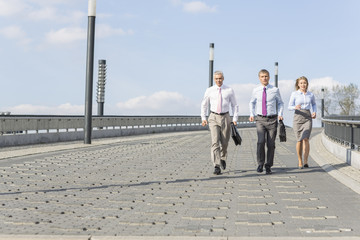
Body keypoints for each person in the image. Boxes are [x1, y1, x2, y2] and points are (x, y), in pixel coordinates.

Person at [201, 71, 239, 175]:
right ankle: (216, 165)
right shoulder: (209, 90)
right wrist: (203, 117)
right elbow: (204, 104)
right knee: (215, 142)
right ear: (214, 79)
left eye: (220, 78)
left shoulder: (229, 90)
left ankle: (223, 157)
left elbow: (235, 105)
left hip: (225, 116)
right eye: (217, 79)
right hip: (213, 117)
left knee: (225, 142)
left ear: (223, 78)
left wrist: (234, 118)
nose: (218, 80)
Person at [249, 69, 284, 174]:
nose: (264, 78)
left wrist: (280, 114)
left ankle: (268, 165)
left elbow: (280, 103)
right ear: (259, 78)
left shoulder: (275, 90)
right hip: (260, 119)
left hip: (272, 119)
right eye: (262, 76)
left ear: (269, 77)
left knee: (271, 143)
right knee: (260, 141)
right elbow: (252, 103)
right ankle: (260, 164)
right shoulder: (256, 90)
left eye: (266, 76)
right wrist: (252, 114)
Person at [288, 76, 317, 169]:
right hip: (298, 116)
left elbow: (313, 104)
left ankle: (306, 161)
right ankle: (300, 160)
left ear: (307, 84)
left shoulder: (310, 95)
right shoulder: (295, 94)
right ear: (298, 85)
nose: (303, 85)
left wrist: (314, 112)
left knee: (306, 138)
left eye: (304, 83)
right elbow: (289, 106)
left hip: (307, 117)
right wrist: (294, 107)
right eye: (301, 83)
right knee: (299, 140)